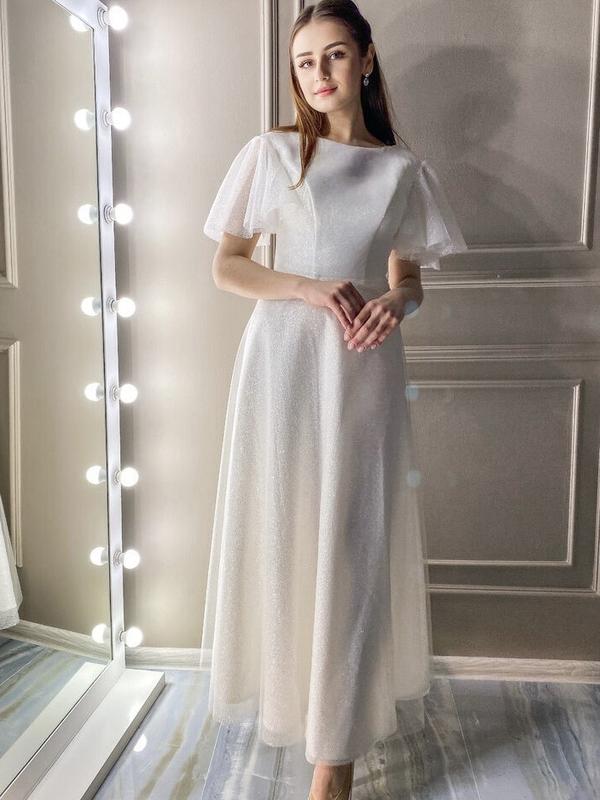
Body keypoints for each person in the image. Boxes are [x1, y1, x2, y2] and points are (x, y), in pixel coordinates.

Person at [201, 1, 468, 797]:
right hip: (283, 364)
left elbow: (409, 279)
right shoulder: (272, 153)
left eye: (335, 55)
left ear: (367, 59)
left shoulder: (403, 170)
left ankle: (335, 759)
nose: (318, 74)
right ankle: (298, 709)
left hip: (362, 366)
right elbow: (227, 266)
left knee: (356, 545)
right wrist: (307, 288)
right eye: (305, 61)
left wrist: (398, 304)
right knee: (290, 533)